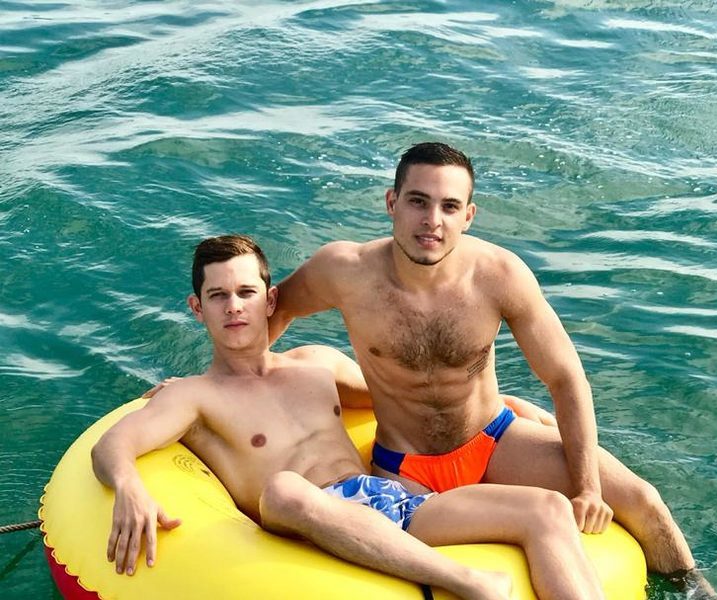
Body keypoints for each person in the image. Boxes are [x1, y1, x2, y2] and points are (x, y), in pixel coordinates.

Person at [269, 142, 717, 595]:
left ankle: (697, 592)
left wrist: (588, 488)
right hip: (403, 467)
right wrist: (237, 385)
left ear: (468, 215)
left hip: (493, 440)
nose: (432, 220)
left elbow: (565, 378)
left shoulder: (498, 275)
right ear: (392, 202)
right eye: (418, 202)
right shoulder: (345, 271)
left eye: (449, 206)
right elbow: (273, 310)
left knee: (644, 500)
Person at [92, 234, 606, 600]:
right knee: (284, 489)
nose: (234, 307)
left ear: (271, 300)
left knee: (546, 509)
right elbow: (111, 445)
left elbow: (408, 398)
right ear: (196, 307)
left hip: (390, 503)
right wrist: (130, 486)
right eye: (217, 296)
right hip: (302, 520)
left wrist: (509, 407)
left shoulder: (317, 366)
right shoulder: (193, 397)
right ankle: (467, 582)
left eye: (246, 292)